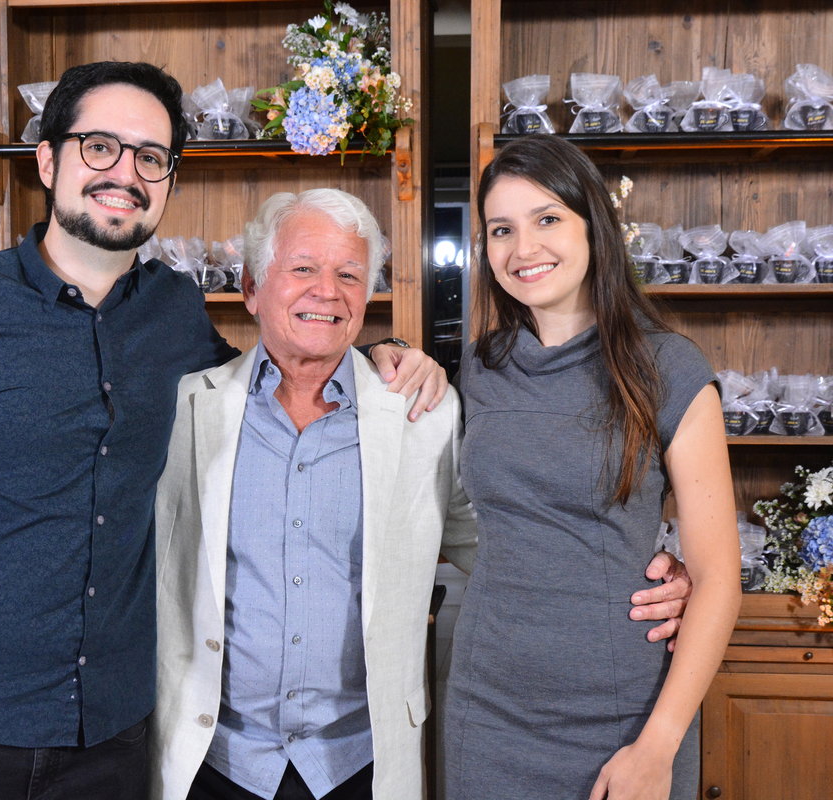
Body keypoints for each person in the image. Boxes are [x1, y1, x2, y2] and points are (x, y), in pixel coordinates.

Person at [0, 62, 445, 800]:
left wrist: (379, 354)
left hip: (114, 734)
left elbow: (272, 369)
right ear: (47, 160)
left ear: (168, 180)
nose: (125, 173)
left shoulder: (175, 311)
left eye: (151, 156)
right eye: (99, 147)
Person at [149, 188, 694, 800]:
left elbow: (505, 542)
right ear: (251, 287)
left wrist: (635, 575)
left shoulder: (423, 415)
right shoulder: (183, 409)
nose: (327, 291)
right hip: (214, 762)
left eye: (349, 275)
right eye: (302, 268)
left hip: (361, 764)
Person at [443, 134, 742, 800]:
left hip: (624, 716)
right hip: (485, 710)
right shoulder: (480, 367)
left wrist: (657, 746)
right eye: (501, 229)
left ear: (593, 226)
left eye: (547, 218)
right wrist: (389, 349)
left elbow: (719, 578)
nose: (524, 248)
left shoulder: (669, 369)